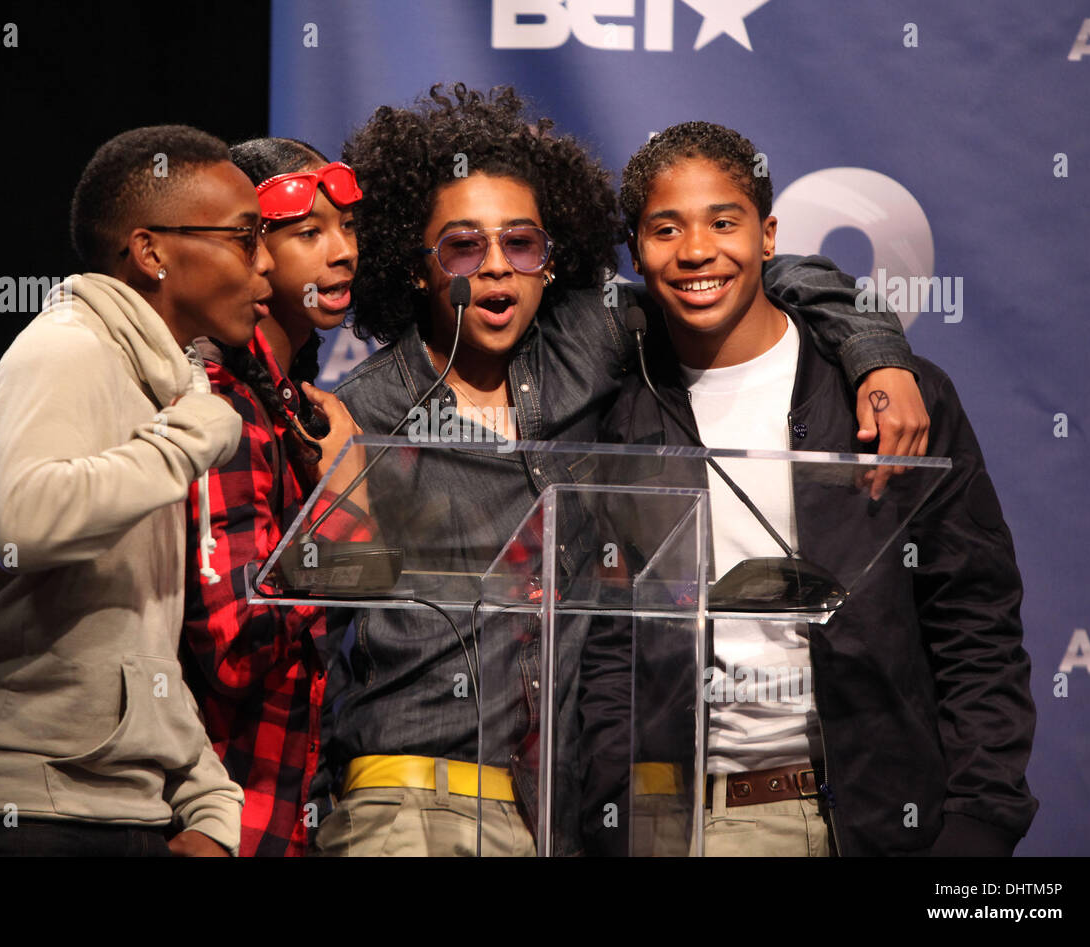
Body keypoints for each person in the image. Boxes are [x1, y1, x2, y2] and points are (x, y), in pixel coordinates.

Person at [313, 84, 932, 856]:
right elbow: (308, 633)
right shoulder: (359, 415)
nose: (497, 269)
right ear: (417, 266)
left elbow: (761, 279)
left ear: (551, 259)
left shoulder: (590, 339)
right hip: (403, 800)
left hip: (547, 810)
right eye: (465, 247)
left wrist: (877, 352)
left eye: (523, 244)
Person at [589, 120, 1037, 856]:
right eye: (666, 228)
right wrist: (611, 817)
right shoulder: (619, 408)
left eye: (723, 222)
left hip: (876, 820)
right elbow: (607, 640)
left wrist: (981, 819)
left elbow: (975, 616)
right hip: (683, 824)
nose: (697, 249)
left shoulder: (896, 400)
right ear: (636, 251)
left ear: (768, 236)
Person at [0, 125, 270, 857]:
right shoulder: (68, 348)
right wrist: (188, 438)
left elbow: (129, 640)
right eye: (245, 236)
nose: (264, 265)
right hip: (22, 821)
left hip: (117, 813)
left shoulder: (162, 386)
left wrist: (208, 801)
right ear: (151, 251)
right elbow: (21, 518)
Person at [180, 137, 373, 856]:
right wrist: (345, 500)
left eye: (348, 227)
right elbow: (235, 644)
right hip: (220, 821)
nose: (342, 250)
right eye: (308, 232)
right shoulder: (220, 402)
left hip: (282, 818)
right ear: (250, 250)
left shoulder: (296, 406)